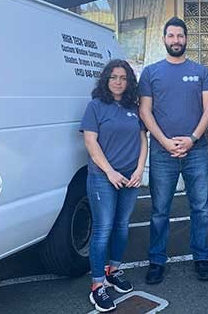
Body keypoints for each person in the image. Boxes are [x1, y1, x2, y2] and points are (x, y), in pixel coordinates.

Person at [139, 17, 208, 284]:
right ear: (164, 39)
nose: (176, 40)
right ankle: (157, 260)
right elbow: (145, 110)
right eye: (171, 36)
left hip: (196, 150)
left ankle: (201, 257)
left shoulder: (201, 71)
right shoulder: (150, 72)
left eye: (180, 36)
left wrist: (192, 139)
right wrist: (163, 140)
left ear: (186, 39)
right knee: (160, 209)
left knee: (201, 207)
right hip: (163, 151)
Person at [80, 59, 148, 312]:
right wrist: (110, 172)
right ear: (106, 80)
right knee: (103, 228)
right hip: (103, 177)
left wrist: (140, 170)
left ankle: (113, 270)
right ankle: (98, 285)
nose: (118, 82)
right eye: (113, 77)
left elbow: (142, 140)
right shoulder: (95, 106)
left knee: (121, 226)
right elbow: (91, 142)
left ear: (129, 82)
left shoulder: (134, 107)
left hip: (130, 177)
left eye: (123, 78)